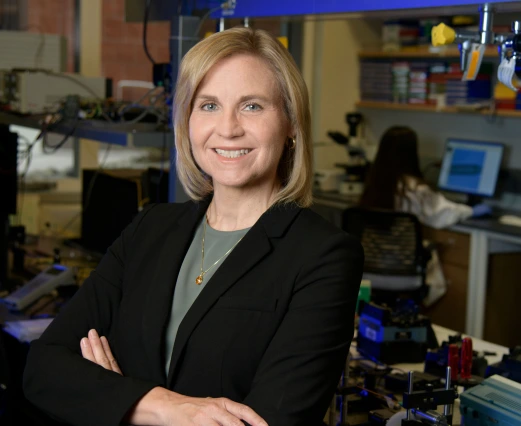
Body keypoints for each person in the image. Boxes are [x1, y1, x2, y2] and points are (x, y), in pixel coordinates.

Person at [23, 27, 364, 426]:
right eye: (208, 106)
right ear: (187, 121)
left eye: (252, 106)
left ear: (290, 124)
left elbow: (273, 421)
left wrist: (112, 397)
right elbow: (43, 368)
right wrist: (163, 407)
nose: (228, 128)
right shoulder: (151, 228)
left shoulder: (323, 256)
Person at [359, 126, 491, 229]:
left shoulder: (374, 183)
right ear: (411, 154)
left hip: (374, 256)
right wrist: (470, 211)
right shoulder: (415, 188)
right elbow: (442, 214)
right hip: (403, 258)